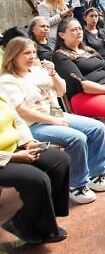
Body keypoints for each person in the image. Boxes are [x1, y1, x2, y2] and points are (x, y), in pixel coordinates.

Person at [0, 38, 105, 205]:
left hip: (56, 115)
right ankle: (77, 184)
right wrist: (54, 120)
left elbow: (61, 92)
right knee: (76, 138)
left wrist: (53, 74)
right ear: (14, 56)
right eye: (26, 53)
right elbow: (22, 111)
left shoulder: (37, 71)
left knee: (96, 128)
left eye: (33, 52)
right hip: (34, 125)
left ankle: (96, 174)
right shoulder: (8, 80)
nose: (31, 56)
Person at [52, 17, 105, 172]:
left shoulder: (88, 50)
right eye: (73, 29)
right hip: (84, 97)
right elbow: (83, 85)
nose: (78, 32)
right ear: (62, 35)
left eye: (79, 28)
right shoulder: (60, 56)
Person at [0, 92, 69, 244]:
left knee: (60, 161)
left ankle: (26, 220)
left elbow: (17, 120)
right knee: (37, 179)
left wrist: (28, 142)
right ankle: (47, 228)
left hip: (15, 148)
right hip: (3, 158)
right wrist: (13, 157)